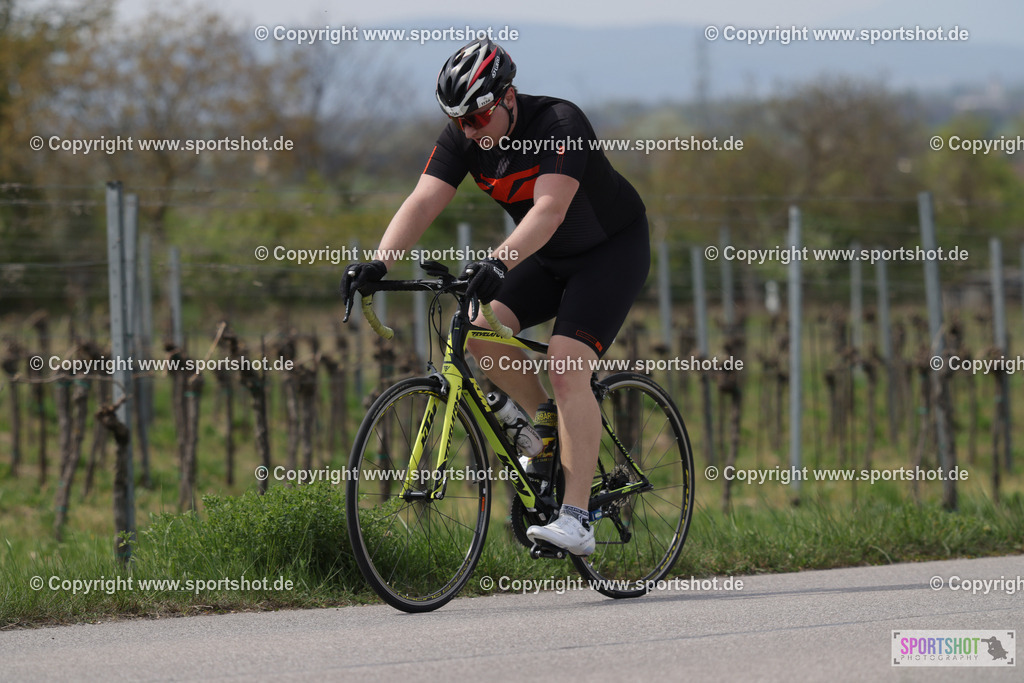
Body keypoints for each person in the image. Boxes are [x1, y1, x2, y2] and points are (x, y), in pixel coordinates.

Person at [342, 39, 650, 556]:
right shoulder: (465, 134)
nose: (470, 130)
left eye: (479, 118)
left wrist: (499, 261)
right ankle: (549, 428)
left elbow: (549, 210)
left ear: (508, 97)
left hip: (609, 253)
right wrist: (380, 261)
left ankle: (577, 520)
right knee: (481, 336)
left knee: (566, 362)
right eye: (459, 121)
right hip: (547, 258)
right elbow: (423, 200)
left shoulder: (559, 125)